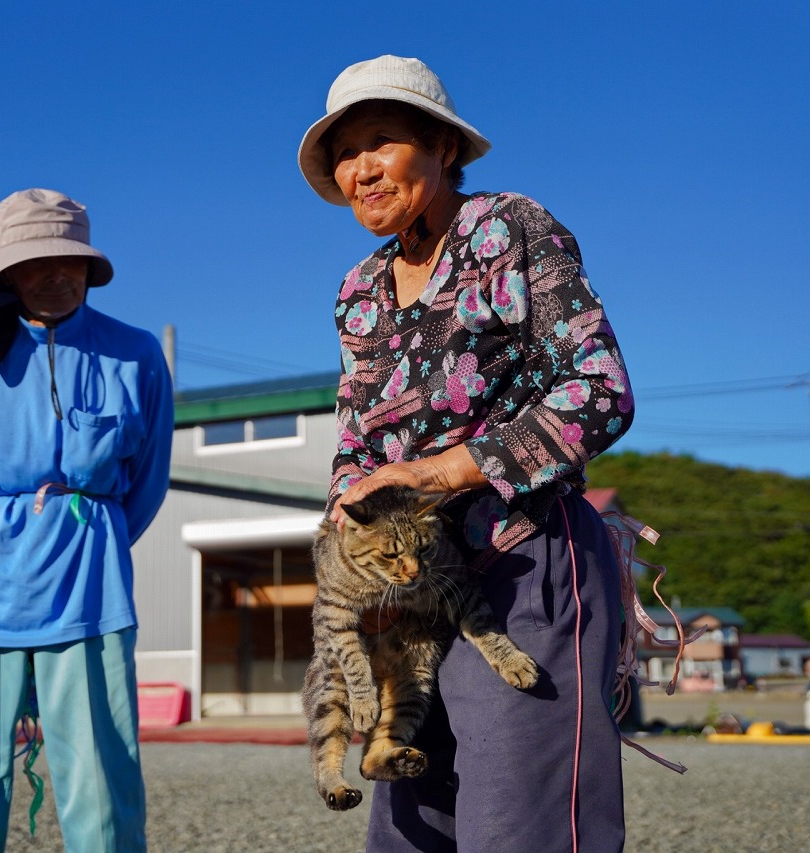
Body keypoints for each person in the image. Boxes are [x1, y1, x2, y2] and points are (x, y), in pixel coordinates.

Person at [298, 56, 635, 851]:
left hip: (521, 564)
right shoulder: (358, 290)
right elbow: (355, 444)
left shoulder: (509, 229)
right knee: (412, 822)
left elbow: (600, 388)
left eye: (383, 140)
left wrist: (441, 471)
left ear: (443, 147)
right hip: (404, 591)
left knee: (521, 826)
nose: (362, 169)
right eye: (346, 152)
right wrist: (345, 560)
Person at [0, 188, 174, 852]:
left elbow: (145, 485)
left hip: (91, 588)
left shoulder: (137, 353)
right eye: (37, 262)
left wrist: (88, 531)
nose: (57, 275)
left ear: (91, 267)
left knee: (101, 781)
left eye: (72, 261)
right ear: (6, 271)